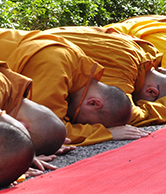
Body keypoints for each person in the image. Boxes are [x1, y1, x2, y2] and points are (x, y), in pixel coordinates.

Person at [0, 29, 137, 145]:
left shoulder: (75, 61)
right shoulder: (56, 67)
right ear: (94, 103)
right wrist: (104, 133)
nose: (74, 121)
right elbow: (43, 128)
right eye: (85, 123)